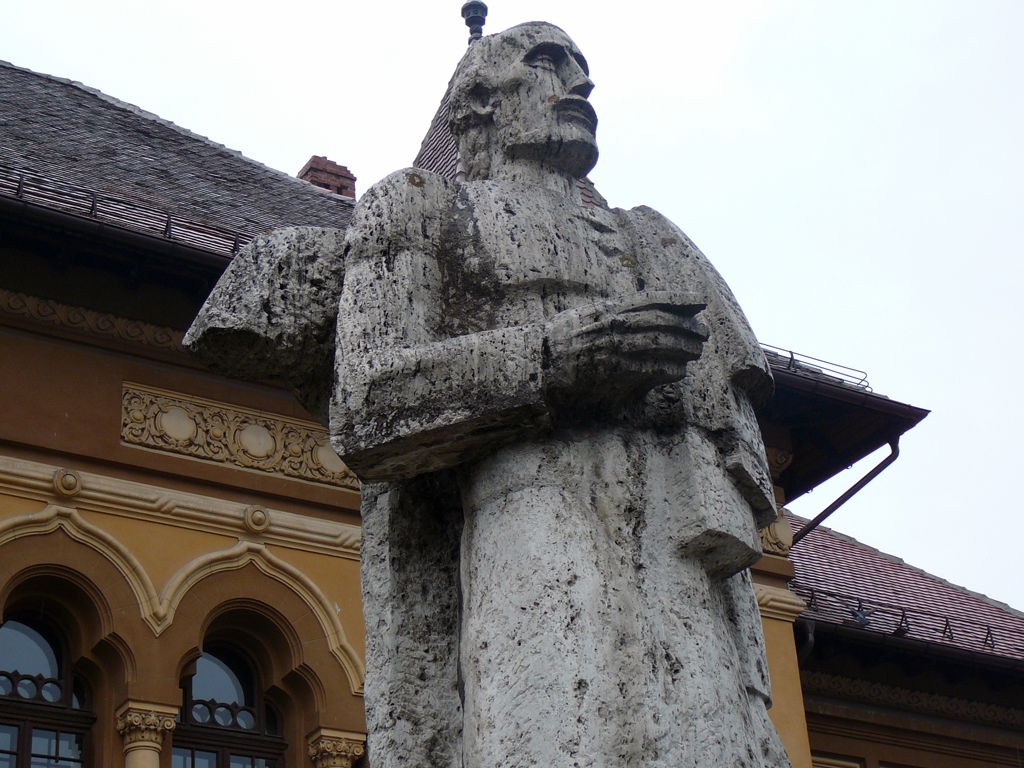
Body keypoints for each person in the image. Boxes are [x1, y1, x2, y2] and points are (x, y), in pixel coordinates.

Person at [330, 21, 791, 768]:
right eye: (547, 64)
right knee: (550, 739)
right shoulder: (420, 206)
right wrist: (552, 360)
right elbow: (364, 402)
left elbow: (732, 427)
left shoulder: (650, 241)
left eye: (583, 71)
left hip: (677, 540)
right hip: (525, 512)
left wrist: (675, 395)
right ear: (478, 102)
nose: (578, 86)